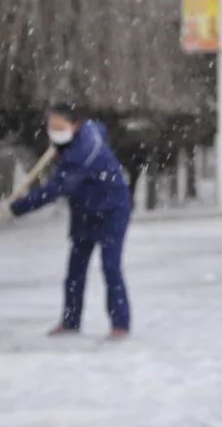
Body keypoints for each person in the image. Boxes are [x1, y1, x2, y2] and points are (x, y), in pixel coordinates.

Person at [11, 103, 133, 339]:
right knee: (75, 269)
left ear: (75, 125)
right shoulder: (88, 130)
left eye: (60, 127)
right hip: (84, 210)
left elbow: (56, 189)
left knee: (111, 266)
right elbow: (99, 127)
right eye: (52, 127)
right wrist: (62, 147)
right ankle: (70, 321)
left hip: (112, 209)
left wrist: (18, 207)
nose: (54, 132)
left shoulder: (81, 153)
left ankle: (120, 324)